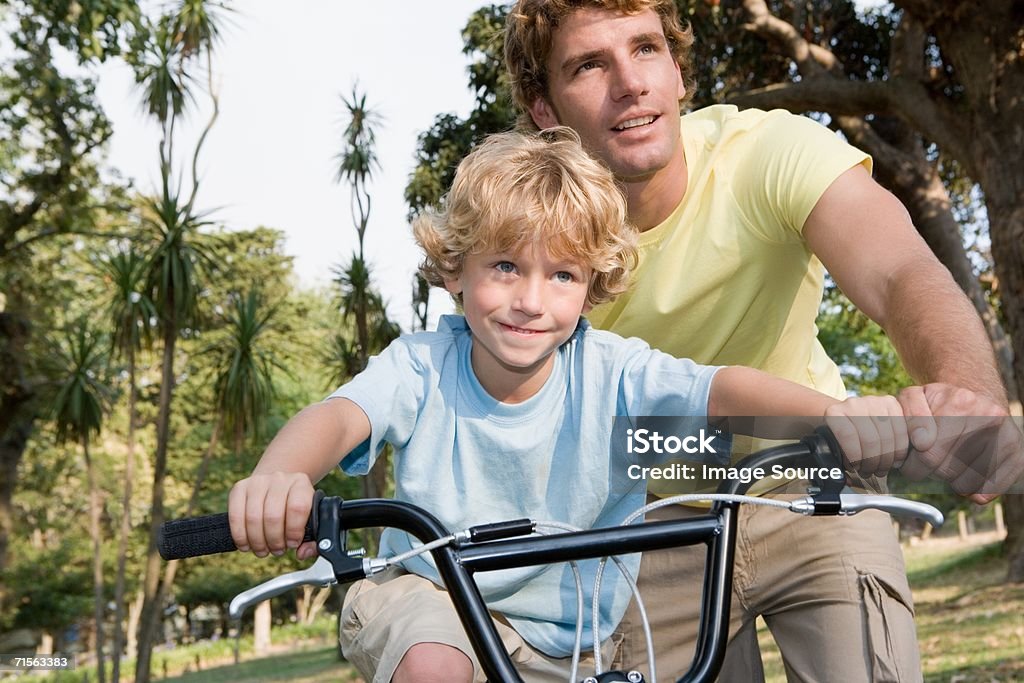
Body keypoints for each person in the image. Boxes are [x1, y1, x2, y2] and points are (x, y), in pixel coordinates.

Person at [229, 127, 917, 683]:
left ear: (591, 287)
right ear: (455, 270)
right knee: (435, 665)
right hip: (434, 600)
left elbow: (719, 392)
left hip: (576, 635)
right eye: (505, 266)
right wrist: (280, 475)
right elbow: (340, 415)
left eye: (561, 274)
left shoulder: (611, 371)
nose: (531, 299)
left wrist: (831, 416)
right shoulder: (420, 366)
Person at [503, 1, 1021, 681]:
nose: (630, 83)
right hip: (648, 524)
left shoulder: (765, 152)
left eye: (646, 50)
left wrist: (968, 397)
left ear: (680, 72)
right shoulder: (529, 240)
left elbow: (901, 271)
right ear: (545, 110)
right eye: (590, 65)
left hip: (814, 475)